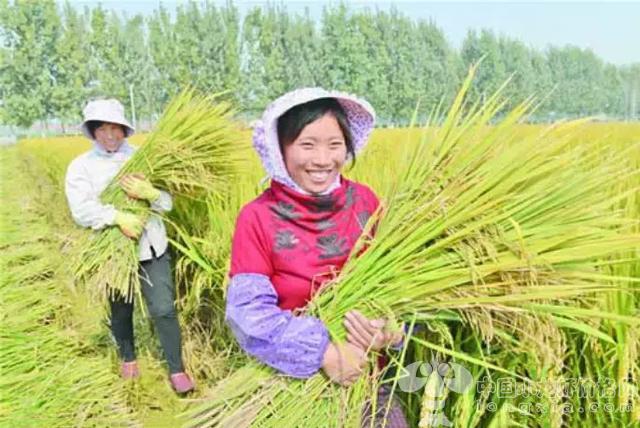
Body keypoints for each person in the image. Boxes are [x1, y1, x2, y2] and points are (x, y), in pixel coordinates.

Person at [225, 88, 407, 426]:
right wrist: (324, 353)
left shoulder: (366, 203)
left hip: (368, 378)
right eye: (307, 145)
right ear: (281, 149)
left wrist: (390, 332)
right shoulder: (259, 216)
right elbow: (247, 313)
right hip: (290, 382)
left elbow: (401, 287)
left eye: (335, 145)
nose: (323, 159)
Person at [64, 99, 194, 393]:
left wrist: (150, 193)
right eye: (103, 129)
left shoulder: (146, 158)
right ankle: (128, 358)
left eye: (115, 128)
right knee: (121, 308)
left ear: (124, 130)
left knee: (163, 308)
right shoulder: (81, 167)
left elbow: (168, 204)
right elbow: (81, 210)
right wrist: (117, 216)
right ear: (93, 132)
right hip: (113, 251)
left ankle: (176, 368)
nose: (110, 136)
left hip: (152, 247)